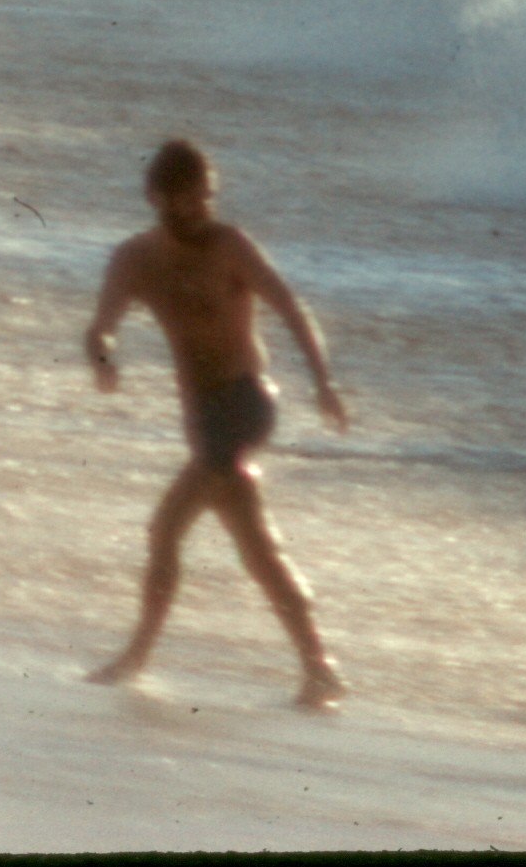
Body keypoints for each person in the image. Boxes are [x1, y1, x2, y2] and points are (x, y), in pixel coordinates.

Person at [81, 136, 351, 705]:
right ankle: (318, 666)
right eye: (187, 201)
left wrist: (324, 383)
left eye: (207, 198)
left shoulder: (231, 247)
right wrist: (103, 355)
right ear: (157, 196)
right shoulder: (134, 260)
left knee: (166, 528)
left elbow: (291, 308)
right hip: (203, 420)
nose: (200, 211)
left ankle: (135, 658)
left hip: (247, 404)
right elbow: (101, 324)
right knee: (256, 547)